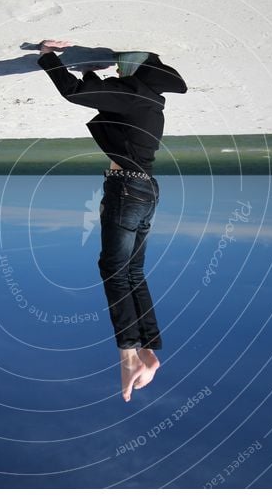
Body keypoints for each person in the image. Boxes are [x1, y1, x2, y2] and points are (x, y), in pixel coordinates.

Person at [36, 39, 188, 402]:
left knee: (127, 273)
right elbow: (77, 92)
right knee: (121, 272)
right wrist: (47, 56)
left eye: (122, 69)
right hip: (136, 190)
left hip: (137, 192)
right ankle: (133, 351)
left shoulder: (135, 94)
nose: (119, 73)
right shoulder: (147, 98)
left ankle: (143, 350)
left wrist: (58, 59)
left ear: (134, 72)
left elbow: (83, 93)